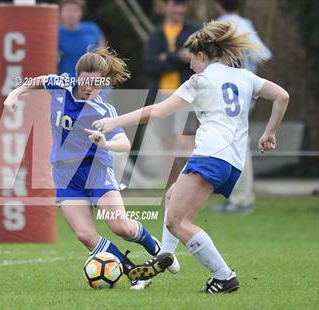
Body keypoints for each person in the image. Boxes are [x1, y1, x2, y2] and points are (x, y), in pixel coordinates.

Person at [93, 21, 289, 293]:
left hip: (210, 155)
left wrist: (114, 123)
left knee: (177, 222)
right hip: (231, 161)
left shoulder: (200, 81)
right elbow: (282, 96)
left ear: (202, 56)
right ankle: (164, 257)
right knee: (173, 196)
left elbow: (158, 111)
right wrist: (269, 133)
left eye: (191, 60)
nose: (189, 66)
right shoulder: (244, 77)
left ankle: (224, 276)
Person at [3, 47, 160, 290]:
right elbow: (39, 80)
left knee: (122, 227)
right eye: (86, 82)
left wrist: (106, 143)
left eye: (97, 83)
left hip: (95, 170)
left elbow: (124, 143)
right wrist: (16, 93)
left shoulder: (102, 109)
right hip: (65, 175)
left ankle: (158, 249)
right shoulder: (61, 85)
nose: (90, 88)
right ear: (77, 77)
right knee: (85, 235)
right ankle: (135, 273)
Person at [212, 0, 273, 213]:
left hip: (229, 97)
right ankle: (238, 197)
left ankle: (242, 199)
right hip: (244, 96)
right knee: (236, 144)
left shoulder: (220, 25)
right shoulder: (245, 24)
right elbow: (262, 56)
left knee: (237, 146)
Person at [137, 0, 199, 181]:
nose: (179, 9)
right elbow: (150, 65)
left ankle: (195, 182)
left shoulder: (194, 32)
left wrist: (166, 58)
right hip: (161, 95)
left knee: (186, 141)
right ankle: (172, 185)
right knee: (166, 144)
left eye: (182, 5)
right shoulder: (156, 34)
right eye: (175, 5)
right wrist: (178, 57)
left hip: (186, 96)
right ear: (165, 7)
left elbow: (196, 62)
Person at [58, 0, 105, 77]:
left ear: (81, 13)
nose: (71, 14)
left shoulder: (92, 29)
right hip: (68, 81)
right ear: (60, 13)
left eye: (75, 10)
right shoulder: (55, 32)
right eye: (68, 10)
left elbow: (103, 53)